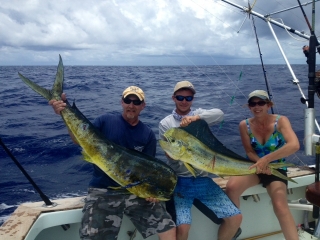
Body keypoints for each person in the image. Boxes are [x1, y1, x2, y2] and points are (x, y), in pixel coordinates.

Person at [49, 86, 176, 240]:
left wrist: (153, 195)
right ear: (121, 102)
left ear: (143, 106)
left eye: (137, 102)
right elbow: (78, 139)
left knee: (168, 229)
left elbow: (149, 170)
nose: (131, 105)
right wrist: (63, 112)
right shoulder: (105, 121)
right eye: (127, 100)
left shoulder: (147, 134)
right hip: (103, 191)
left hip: (135, 193)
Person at [159, 80, 242, 240]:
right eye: (180, 97)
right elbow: (169, 153)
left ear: (193, 100)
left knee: (236, 218)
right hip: (180, 182)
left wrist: (195, 118)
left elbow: (220, 114)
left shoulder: (198, 115)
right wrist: (172, 154)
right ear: (173, 98)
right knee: (183, 227)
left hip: (202, 180)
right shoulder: (166, 123)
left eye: (188, 98)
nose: (184, 101)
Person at [225, 90, 300, 240]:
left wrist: (266, 160)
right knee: (231, 187)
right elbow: (249, 151)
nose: (257, 106)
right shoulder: (244, 125)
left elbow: (294, 145)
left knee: (280, 206)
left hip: (276, 169)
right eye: (253, 103)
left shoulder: (281, 121)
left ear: (268, 105)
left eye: (261, 103)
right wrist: (260, 163)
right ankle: (233, 227)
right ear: (249, 107)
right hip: (254, 167)